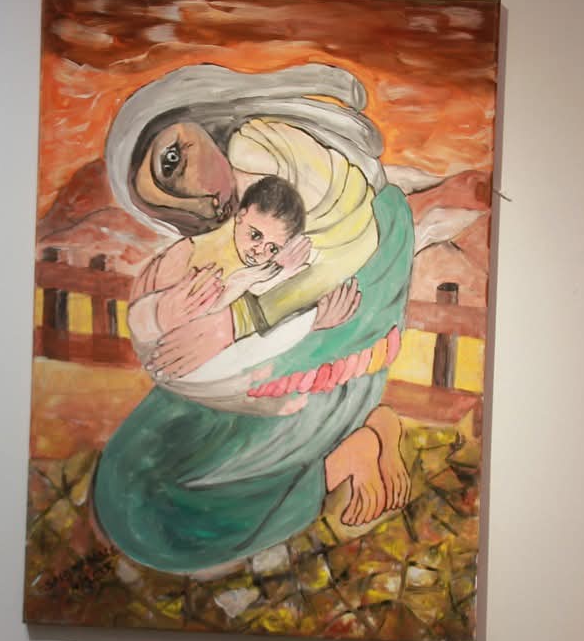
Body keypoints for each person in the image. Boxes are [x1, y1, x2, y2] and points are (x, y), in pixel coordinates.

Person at [91, 63, 415, 574]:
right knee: (125, 494)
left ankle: (342, 459)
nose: (192, 199)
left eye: (173, 161)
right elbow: (174, 304)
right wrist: (166, 311)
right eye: (166, 205)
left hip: (311, 363)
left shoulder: (266, 150)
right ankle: (346, 451)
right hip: (238, 374)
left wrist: (232, 322)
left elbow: (343, 258)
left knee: (152, 520)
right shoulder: (231, 209)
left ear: (189, 111)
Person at [133, 175, 313, 325]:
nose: (259, 251)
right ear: (241, 215)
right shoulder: (192, 249)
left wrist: (278, 275)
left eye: (272, 248)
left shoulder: (252, 271)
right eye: (255, 235)